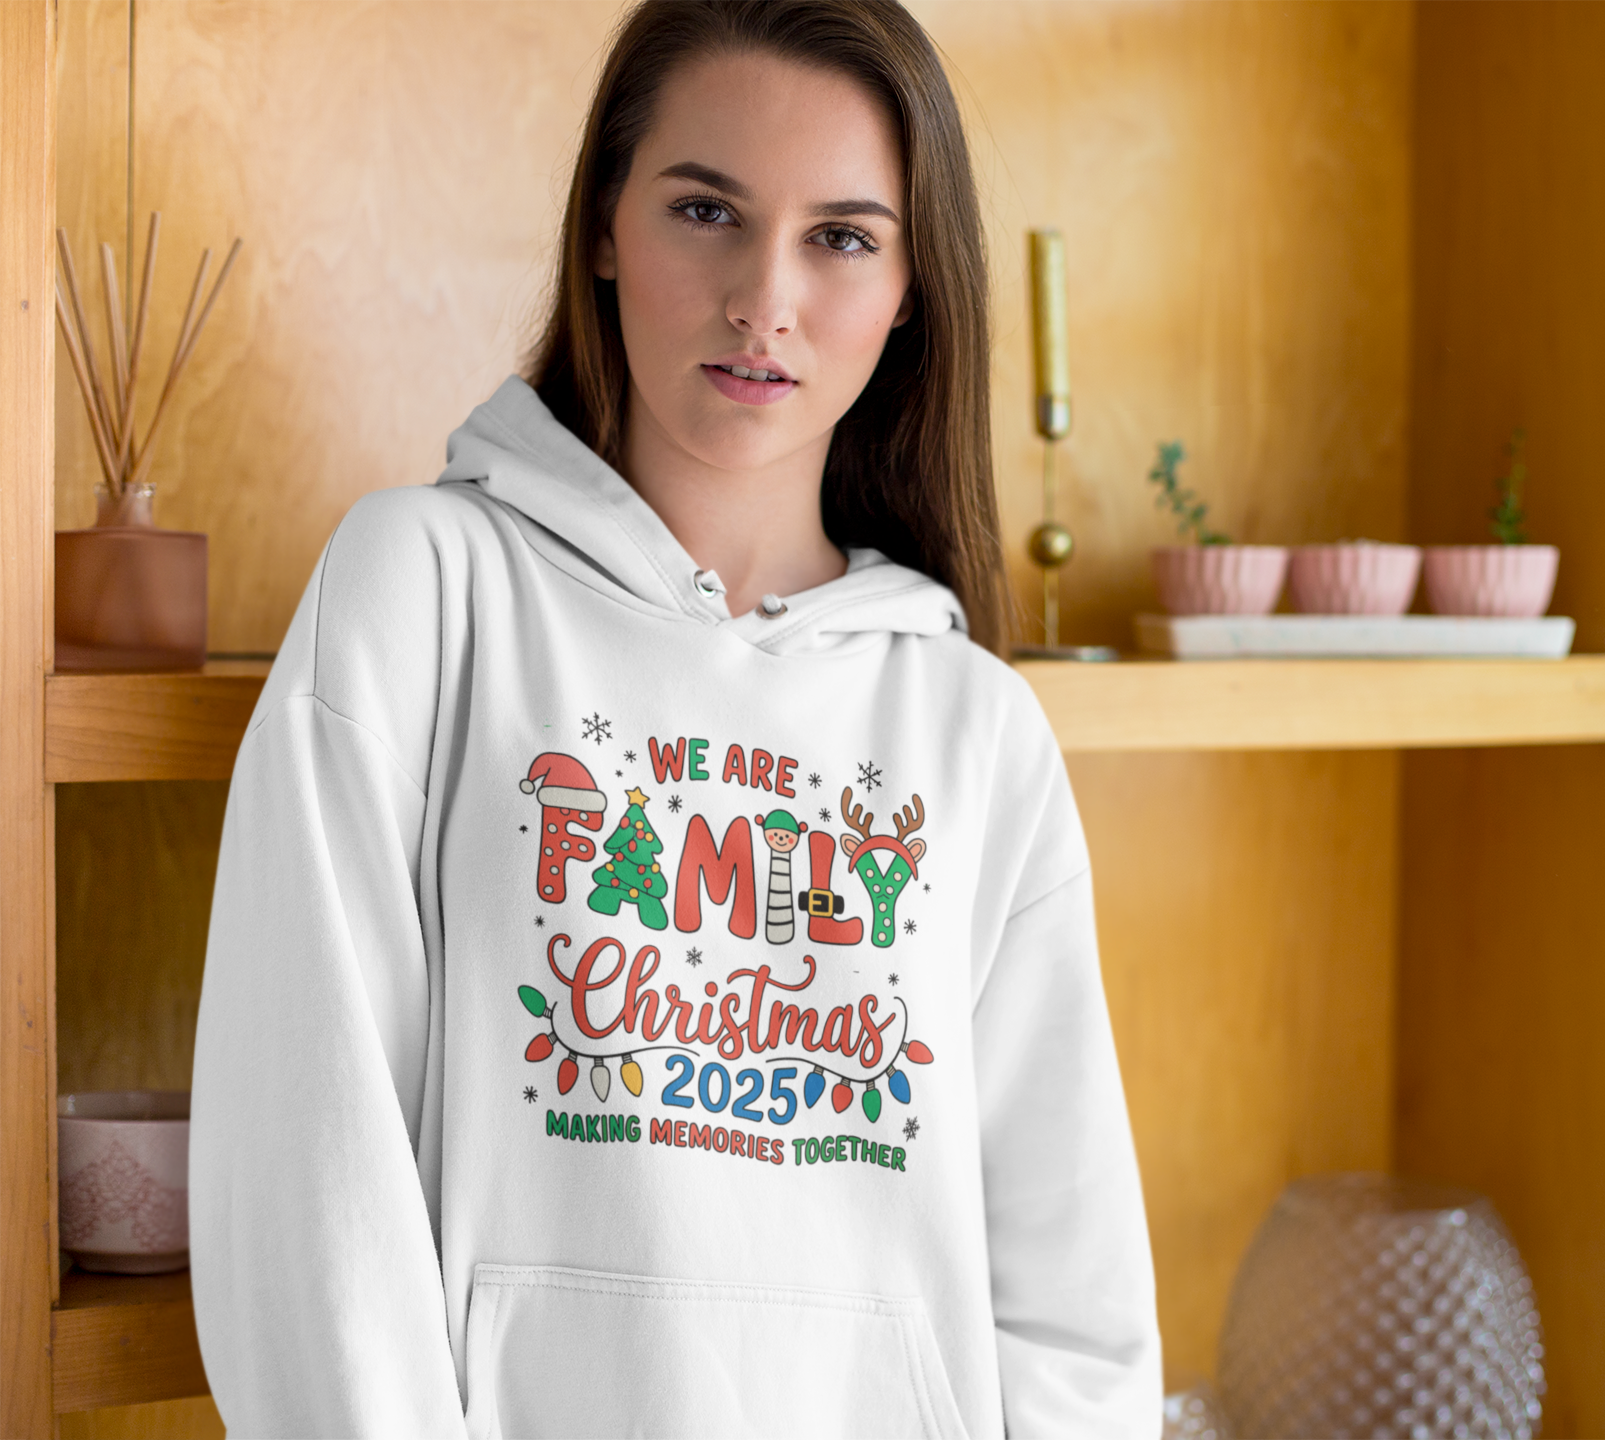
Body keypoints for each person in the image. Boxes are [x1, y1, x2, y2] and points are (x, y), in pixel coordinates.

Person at [189, 1, 1160, 1434]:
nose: (764, 298)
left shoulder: (977, 732)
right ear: (603, 226)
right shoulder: (422, 598)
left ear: (909, 293)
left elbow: (1072, 1312)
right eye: (707, 209)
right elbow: (308, 1170)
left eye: (841, 237)